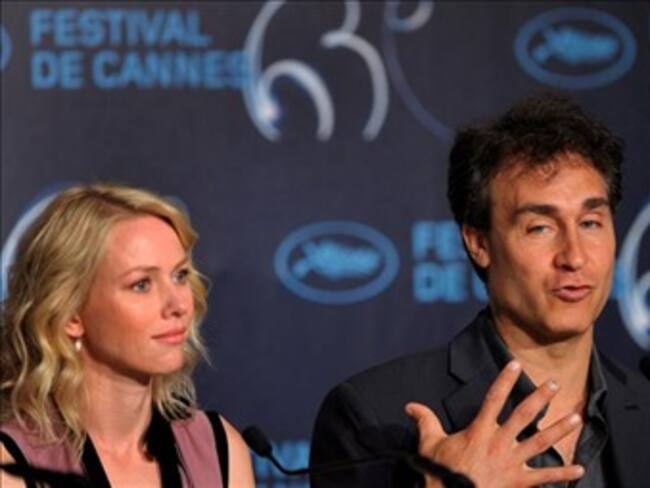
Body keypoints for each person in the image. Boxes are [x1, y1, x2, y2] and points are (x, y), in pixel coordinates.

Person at [309, 93, 650, 487]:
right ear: (479, 243)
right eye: (540, 228)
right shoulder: (373, 416)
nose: (574, 256)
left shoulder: (644, 406)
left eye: (590, 223)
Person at [0, 184, 255, 487]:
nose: (178, 305)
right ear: (71, 315)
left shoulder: (217, 449)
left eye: (180, 275)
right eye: (142, 284)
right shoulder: (13, 466)